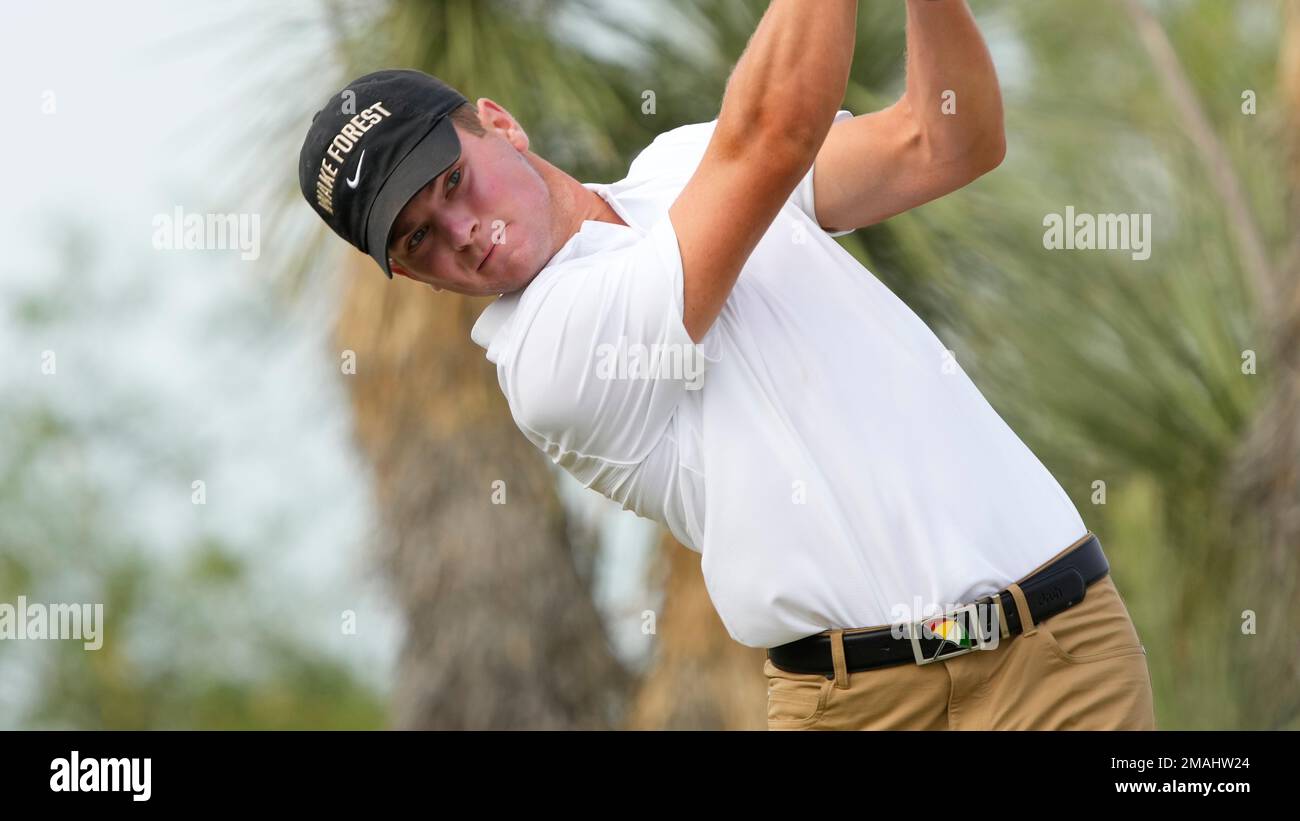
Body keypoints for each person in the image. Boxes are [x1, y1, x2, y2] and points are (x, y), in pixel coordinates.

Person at [296, 0, 1156, 730]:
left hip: (1061, 657)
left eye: (452, 181)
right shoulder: (545, 361)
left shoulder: (681, 163)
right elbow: (774, 134)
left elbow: (949, 141)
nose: (460, 232)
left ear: (502, 125)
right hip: (860, 707)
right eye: (418, 238)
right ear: (411, 275)